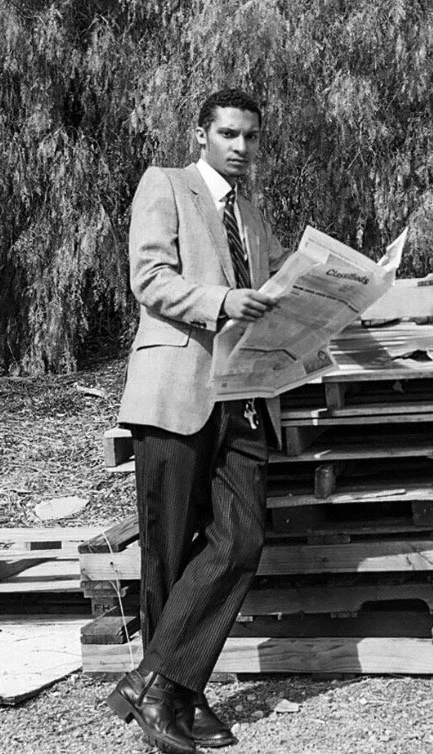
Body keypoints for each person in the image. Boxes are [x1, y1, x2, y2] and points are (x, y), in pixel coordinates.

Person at [107, 88, 285, 753]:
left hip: (241, 397)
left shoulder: (255, 215)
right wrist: (224, 301)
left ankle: (154, 682)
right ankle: (178, 695)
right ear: (201, 135)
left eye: (251, 137)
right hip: (177, 388)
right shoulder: (167, 186)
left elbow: (262, 304)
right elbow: (149, 278)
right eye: (230, 134)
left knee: (242, 537)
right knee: (168, 550)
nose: (242, 147)